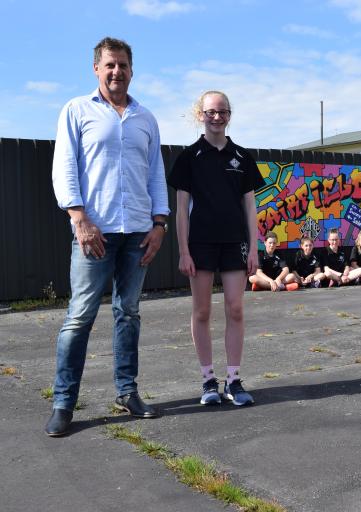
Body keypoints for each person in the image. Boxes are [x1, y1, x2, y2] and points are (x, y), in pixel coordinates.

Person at [46, 37, 170, 437]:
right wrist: (78, 218)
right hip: (94, 232)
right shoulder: (76, 111)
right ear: (96, 69)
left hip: (136, 232)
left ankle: (127, 392)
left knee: (129, 313)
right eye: (110, 65)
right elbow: (64, 166)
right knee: (79, 316)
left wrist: (159, 224)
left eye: (123, 65)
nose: (117, 72)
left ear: (132, 70)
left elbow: (155, 174)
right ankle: (64, 403)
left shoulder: (145, 118)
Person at [168, 90, 264, 407]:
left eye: (222, 112)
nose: (217, 117)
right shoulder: (189, 158)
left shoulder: (242, 157)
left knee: (235, 309)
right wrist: (184, 250)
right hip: (200, 243)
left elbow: (250, 207)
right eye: (211, 112)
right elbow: (181, 210)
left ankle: (233, 381)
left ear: (229, 115)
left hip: (234, 243)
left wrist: (253, 248)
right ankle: (208, 380)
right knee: (202, 311)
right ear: (201, 115)